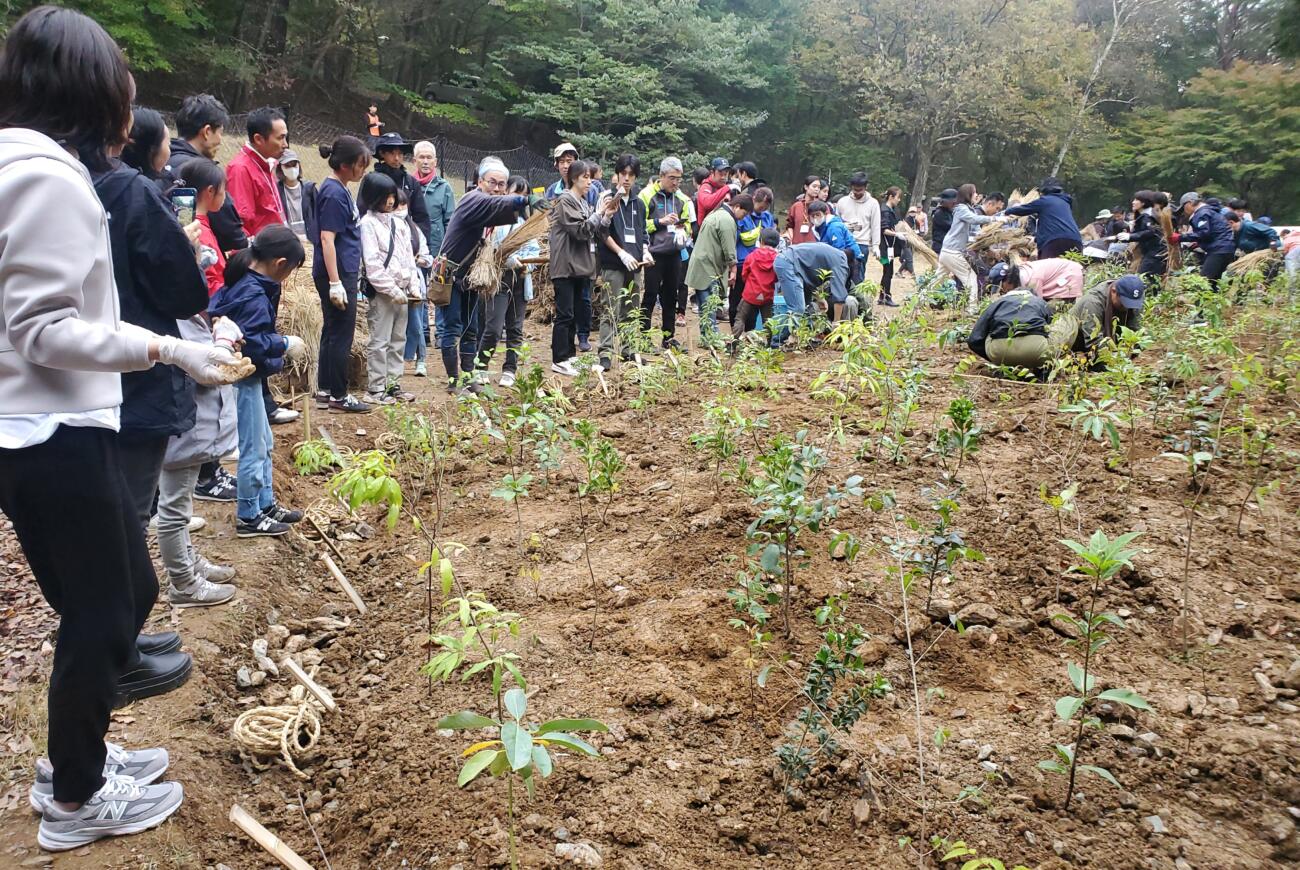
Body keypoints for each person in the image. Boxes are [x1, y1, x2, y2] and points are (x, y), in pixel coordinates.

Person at [0, 6, 253, 848]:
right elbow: (41, 328)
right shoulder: (45, 176)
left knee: (115, 596)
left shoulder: (23, 162)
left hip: (48, 422)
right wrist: (166, 350)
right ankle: (73, 799)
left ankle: (81, 757)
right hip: (46, 426)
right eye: (121, 80)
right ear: (93, 89)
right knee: (105, 609)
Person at [96, 107, 213, 542]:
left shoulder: (79, 181)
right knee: (129, 515)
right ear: (144, 146)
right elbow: (184, 293)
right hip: (139, 369)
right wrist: (185, 248)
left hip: (82, 370)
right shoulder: (136, 193)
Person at [208, 226, 307, 536]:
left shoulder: (246, 280)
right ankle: (249, 514)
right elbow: (251, 340)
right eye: (290, 269)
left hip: (252, 375)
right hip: (246, 376)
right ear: (280, 264)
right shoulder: (251, 293)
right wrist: (283, 343)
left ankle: (266, 503)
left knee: (265, 442)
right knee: (253, 447)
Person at [437, 156, 529, 390]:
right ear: (480, 181)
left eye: (501, 184)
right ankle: (452, 381)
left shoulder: (489, 207)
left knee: (471, 329)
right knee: (452, 327)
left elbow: (499, 211)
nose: (496, 188)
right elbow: (495, 206)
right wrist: (523, 200)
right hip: (450, 274)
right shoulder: (473, 199)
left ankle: (469, 379)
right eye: (492, 182)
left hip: (470, 277)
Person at [312, 135, 373, 413]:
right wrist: (336, 282)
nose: (364, 170)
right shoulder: (335, 193)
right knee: (341, 334)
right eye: (361, 164)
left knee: (332, 330)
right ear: (347, 165)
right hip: (337, 273)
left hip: (340, 271)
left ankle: (325, 389)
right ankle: (339, 394)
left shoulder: (339, 189)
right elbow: (327, 239)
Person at [550, 158, 618, 375]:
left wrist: (605, 216)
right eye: (585, 177)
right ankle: (559, 358)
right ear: (573, 179)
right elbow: (580, 230)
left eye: (590, 177)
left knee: (577, 312)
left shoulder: (583, 202)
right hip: (566, 266)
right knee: (565, 314)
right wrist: (599, 215)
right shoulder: (565, 201)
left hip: (581, 266)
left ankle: (570, 357)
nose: (589, 182)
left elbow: (594, 230)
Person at [358, 172, 418, 406]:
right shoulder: (368, 224)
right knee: (380, 341)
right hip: (383, 293)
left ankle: (393, 385)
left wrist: (412, 285)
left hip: (402, 290)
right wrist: (392, 290)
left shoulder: (399, 224)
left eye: (392, 196)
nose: (391, 201)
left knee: (398, 340)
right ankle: (376, 388)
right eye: (385, 197)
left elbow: (408, 258)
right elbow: (372, 265)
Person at [163, 93, 247, 254]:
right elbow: (231, 233)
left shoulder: (162, 162)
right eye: (220, 132)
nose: (221, 140)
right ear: (207, 131)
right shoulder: (201, 172)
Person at [476, 176, 537, 388]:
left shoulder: (527, 225)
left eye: (523, 195)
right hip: (499, 279)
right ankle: (481, 366)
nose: (519, 198)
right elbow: (488, 249)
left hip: (520, 279)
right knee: (493, 327)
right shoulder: (495, 221)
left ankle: (510, 369)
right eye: (515, 193)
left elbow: (534, 251)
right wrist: (506, 259)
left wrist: (526, 266)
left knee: (515, 327)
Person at [596, 154, 650, 369]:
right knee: (610, 307)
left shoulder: (639, 203)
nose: (626, 179)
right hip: (614, 262)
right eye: (623, 174)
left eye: (631, 175)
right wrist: (620, 253)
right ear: (616, 175)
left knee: (631, 307)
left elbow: (642, 231)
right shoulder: (607, 198)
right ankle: (606, 353)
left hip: (635, 264)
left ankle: (628, 350)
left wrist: (645, 251)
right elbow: (601, 230)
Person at [411, 140, 457, 375]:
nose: (426, 161)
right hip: (415, 251)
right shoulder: (409, 186)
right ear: (415, 160)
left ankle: (440, 333)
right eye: (422, 157)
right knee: (417, 294)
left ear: (436, 162)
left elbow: (451, 220)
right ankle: (422, 336)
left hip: (439, 249)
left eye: (430, 158)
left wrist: (447, 250)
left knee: (439, 292)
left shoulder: (444, 187)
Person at [638, 157, 694, 348]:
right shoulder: (646, 196)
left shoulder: (681, 199)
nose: (676, 182)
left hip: (675, 254)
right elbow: (638, 225)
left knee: (671, 296)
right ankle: (644, 338)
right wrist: (659, 222)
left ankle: (668, 338)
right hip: (653, 254)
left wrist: (683, 231)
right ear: (661, 176)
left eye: (679, 178)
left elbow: (687, 224)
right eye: (672, 178)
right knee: (651, 295)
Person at [686, 194, 752, 340]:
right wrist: (733, 268)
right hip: (707, 266)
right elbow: (729, 249)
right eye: (744, 213)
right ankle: (711, 336)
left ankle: (707, 335)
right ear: (737, 207)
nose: (743, 218)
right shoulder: (727, 220)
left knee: (706, 302)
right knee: (709, 302)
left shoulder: (717, 213)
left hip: (703, 263)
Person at [938, 184, 1003, 311]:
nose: (977, 196)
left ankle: (919, 299)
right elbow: (974, 219)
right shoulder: (962, 208)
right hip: (953, 251)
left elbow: (975, 229)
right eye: (975, 193)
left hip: (948, 250)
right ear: (968, 195)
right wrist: (995, 219)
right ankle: (972, 309)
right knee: (971, 279)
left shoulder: (967, 208)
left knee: (936, 280)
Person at [225, 107, 288, 237]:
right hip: (261, 253)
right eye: (280, 138)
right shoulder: (241, 169)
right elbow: (241, 223)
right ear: (259, 139)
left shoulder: (268, 163)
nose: (285, 144)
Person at [366, 132, 431, 242]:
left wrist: (419, 244)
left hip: (405, 240)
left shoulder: (411, 182)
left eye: (400, 154)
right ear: (382, 153)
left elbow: (421, 217)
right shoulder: (371, 181)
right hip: (376, 238)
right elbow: (363, 211)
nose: (396, 158)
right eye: (392, 153)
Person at [773, 242, 850, 335]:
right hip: (788, 263)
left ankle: (805, 337)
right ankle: (778, 342)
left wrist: (820, 299)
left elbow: (808, 275)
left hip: (790, 261)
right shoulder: (841, 261)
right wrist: (836, 322)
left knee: (807, 308)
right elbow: (839, 296)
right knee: (797, 309)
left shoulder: (832, 255)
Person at [180, 158, 229, 296]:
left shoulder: (186, 223)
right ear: (211, 191)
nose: (225, 195)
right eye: (224, 189)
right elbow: (209, 283)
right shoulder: (198, 232)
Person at [1002, 176, 1082, 259]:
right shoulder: (1066, 203)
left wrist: (1006, 212)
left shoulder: (1044, 201)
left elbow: (1024, 209)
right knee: (1072, 269)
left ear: (1044, 191)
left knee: (1048, 269)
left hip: (1055, 242)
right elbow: (1056, 225)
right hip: (1076, 241)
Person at [731, 186, 777, 326]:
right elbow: (734, 237)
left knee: (756, 302)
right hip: (743, 262)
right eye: (760, 206)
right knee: (737, 299)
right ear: (753, 200)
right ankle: (735, 331)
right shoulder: (743, 215)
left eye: (765, 207)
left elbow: (771, 238)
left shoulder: (767, 217)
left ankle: (750, 332)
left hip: (761, 267)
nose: (761, 210)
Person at [809, 199, 862, 309]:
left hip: (850, 260)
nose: (815, 218)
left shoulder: (834, 227)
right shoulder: (816, 229)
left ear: (825, 213)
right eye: (812, 216)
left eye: (818, 215)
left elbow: (839, 252)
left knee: (852, 290)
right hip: (834, 260)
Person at [1176, 191, 1236, 288]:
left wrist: (1180, 237)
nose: (1184, 211)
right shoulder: (1211, 211)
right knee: (1213, 283)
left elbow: (1203, 233)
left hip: (1218, 250)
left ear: (1190, 203)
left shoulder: (1202, 213)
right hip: (1226, 249)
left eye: (1183, 207)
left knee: (1203, 283)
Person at [734, 227, 781, 342]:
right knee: (768, 321)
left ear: (761, 241)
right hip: (767, 295)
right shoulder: (778, 258)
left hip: (750, 294)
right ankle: (771, 344)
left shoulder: (752, 256)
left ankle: (733, 342)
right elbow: (777, 278)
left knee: (740, 318)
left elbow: (744, 274)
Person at [835, 172, 881, 285]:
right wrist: (845, 226)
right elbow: (836, 222)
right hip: (844, 243)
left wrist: (876, 245)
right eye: (855, 190)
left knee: (858, 276)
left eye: (860, 190)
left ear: (866, 188)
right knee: (842, 273)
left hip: (862, 244)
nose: (857, 193)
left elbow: (875, 225)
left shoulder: (873, 203)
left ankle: (858, 300)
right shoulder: (842, 202)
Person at [988, 259, 1083, 304]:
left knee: (1053, 309)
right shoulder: (1022, 273)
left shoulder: (1031, 280)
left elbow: (1037, 304)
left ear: (1008, 280)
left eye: (1002, 286)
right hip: (1062, 272)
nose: (1002, 290)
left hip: (1069, 275)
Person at [1124, 190, 1167, 286]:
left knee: (1144, 278)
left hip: (1155, 252)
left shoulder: (1148, 216)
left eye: (1136, 200)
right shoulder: (1143, 216)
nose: (1133, 202)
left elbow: (1151, 232)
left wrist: (1130, 236)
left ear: (1143, 203)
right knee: (1149, 279)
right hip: (1151, 252)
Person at [276, 148, 315, 242]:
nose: (292, 168)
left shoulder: (309, 188)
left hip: (310, 239)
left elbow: (317, 215)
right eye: (287, 166)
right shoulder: (276, 190)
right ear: (280, 168)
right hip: (287, 240)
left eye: (294, 164)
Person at [878, 186, 904, 306]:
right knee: (887, 272)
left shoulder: (891, 210)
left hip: (890, 247)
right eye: (898, 197)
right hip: (885, 247)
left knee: (888, 271)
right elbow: (884, 230)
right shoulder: (885, 211)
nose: (899, 200)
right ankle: (885, 297)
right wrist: (897, 234)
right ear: (891, 197)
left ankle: (883, 296)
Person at [695, 157, 734, 227]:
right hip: (706, 230)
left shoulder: (725, 187)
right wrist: (727, 188)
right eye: (720, 174)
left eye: (726, 174)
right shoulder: (706, 186)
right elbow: (707, 203)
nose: (723, 177)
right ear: (712, 172)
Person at [785, 176, 821, 245]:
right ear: (806, 187)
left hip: (815, 247)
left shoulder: (822, 207)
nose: (817, 189)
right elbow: (790, 226)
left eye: (819, 187)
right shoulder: (796, 206)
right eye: (814, 186)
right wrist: (792, 239)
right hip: (797, 246)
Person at [930, 189, 957, 254]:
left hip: (948, 246)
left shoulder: (949, 212)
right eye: (953, 202)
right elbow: (953, 227)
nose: (954, 204)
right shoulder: (939, 213)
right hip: (941, 246)